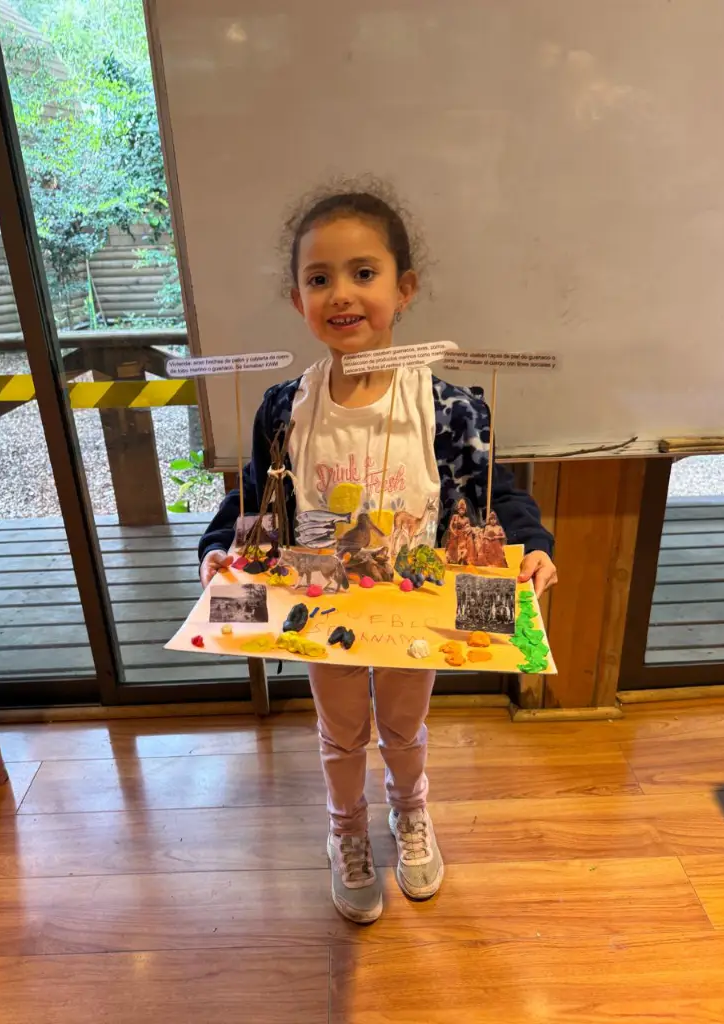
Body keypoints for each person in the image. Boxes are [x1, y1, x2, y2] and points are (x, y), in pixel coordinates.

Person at [198, 187, 558, 925]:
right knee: (339, 730)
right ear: (297, 299)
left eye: (364, 273)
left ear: (405, 288)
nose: (342, 293)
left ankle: (409, 809)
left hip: (413, 611)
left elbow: (496, 495)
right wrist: (217, 549)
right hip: (319, 604)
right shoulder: (284, 408)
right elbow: (254, 498)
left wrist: (535, 548)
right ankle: (346, 827)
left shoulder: (450, 407)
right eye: (319, 278)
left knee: (402, 725)